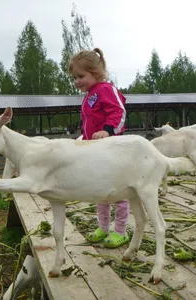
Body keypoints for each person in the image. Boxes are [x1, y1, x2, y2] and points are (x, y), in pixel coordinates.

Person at [69, 48, 130, 248]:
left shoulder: (105, 89)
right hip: (94, 150)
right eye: (74, 77)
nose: (77, 81)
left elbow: (119, 112)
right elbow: (88, 124)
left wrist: (108, 130)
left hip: (111, 149)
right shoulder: (88, 96)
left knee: (118, 191)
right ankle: (103, 228)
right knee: (100, 191)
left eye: (81, 76)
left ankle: (120, 231)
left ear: (95, 73)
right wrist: (83, 140)